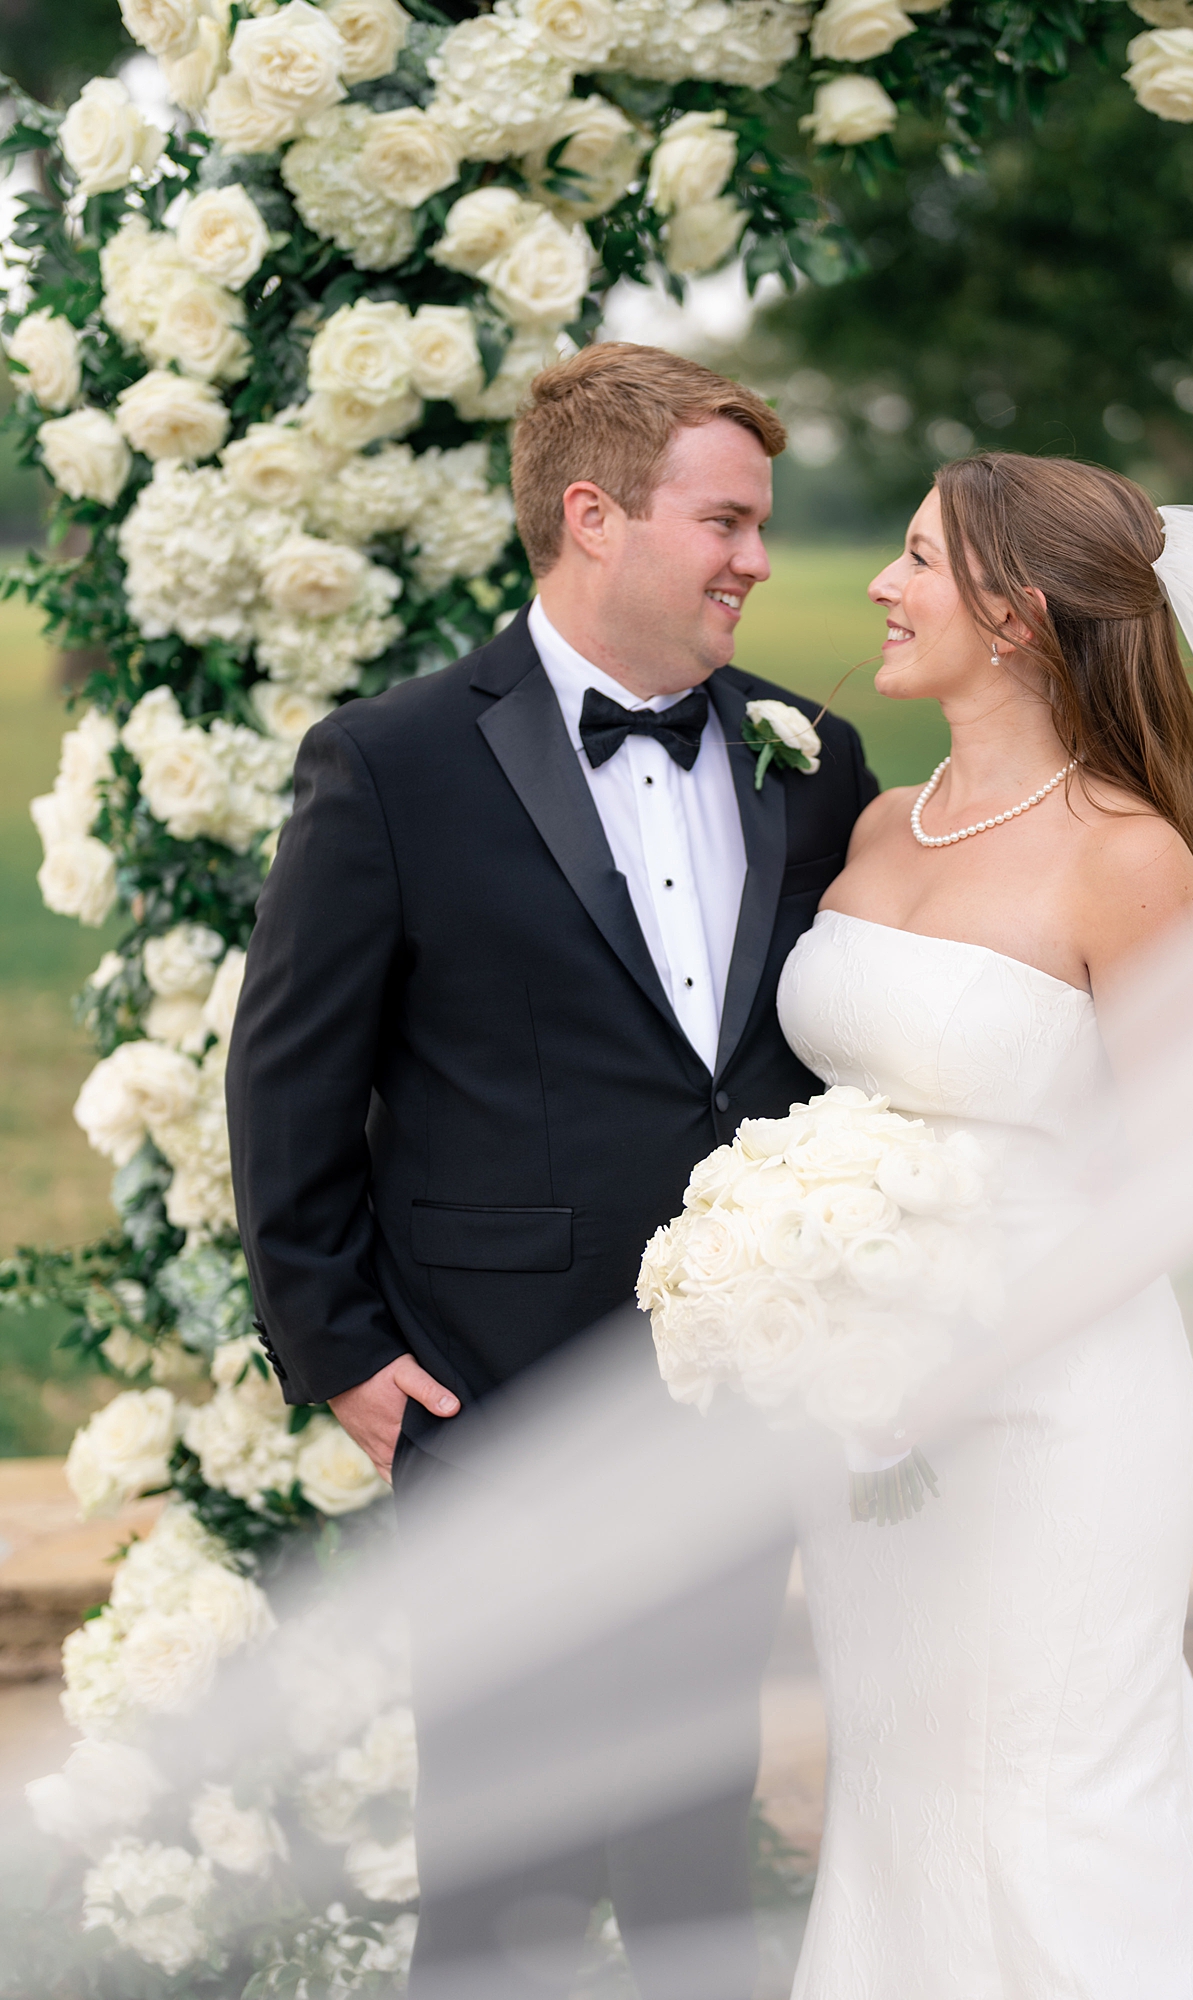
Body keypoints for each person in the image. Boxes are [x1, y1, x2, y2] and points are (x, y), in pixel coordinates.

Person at [225, 341, 879, 2000]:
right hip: (492, 1389)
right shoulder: (391, 762)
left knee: (692, 1845)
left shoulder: (811, 757)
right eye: (726, 522)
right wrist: (341, 1350)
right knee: (502, 1868)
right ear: (595, 516)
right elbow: (290, 1077)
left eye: (758, 524)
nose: (756, 559)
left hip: (733, 1399)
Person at [772, 453, 1193, 1996]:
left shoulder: (1129, 855)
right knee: (903, 1793)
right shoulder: (880, 826)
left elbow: (1188, 1173)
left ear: (1020, 615)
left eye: (919, 559)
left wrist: (965, 1363)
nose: (882, 587)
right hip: (864, 1415)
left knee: (1054, 1806)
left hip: (1054, 1410)